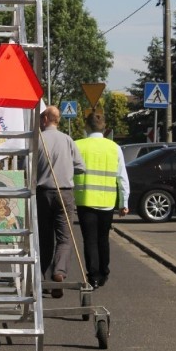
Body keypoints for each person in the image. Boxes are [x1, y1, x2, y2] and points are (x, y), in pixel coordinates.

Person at [74, 110, 129, 289]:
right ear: (104, 127)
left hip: (85, 200)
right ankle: (104, 271)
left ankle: (93, 276)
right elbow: (122, 177)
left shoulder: (77, 145)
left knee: (89, 239)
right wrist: (124, 203)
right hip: (107, 202)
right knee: (103, 238)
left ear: (86, 126)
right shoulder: (114, 148)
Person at [36, 105, 85, 299]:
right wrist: (67, 170)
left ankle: (46, 280)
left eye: (41, 118)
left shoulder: (37, 140)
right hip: (64, 192)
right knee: (64, 237)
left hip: (42, 193)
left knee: (45, 237)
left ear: (46, 119)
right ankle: (60, 272)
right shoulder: (68, 140)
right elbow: (81, 166)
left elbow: (25, 167)